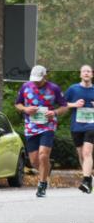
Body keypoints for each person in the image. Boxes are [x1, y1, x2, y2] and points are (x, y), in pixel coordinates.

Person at [14, 65, 68, 198]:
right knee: (34, 161)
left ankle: (42, 184)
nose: (36, 82)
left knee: (43, 155)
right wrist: (25, 109)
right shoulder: (26, 87)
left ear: (45, 76)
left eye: (38, 80)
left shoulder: (54, 88)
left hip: (48, 126)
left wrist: (54, 112)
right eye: (34, 80)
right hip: (31, 127)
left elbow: (64, 106)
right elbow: (17, 104)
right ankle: (46, 169)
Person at [65, 64, 94, 194]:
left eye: (88, 71)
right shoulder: (73, 89)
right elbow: (62, 104)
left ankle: (86, 181)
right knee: (81, 154)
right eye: (84, 71)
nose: (86, 73)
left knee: (87, 152)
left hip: (91, 125)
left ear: (92, 74)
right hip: (77, 126)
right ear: (80, 74)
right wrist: (74, 104)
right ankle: (88, 178)